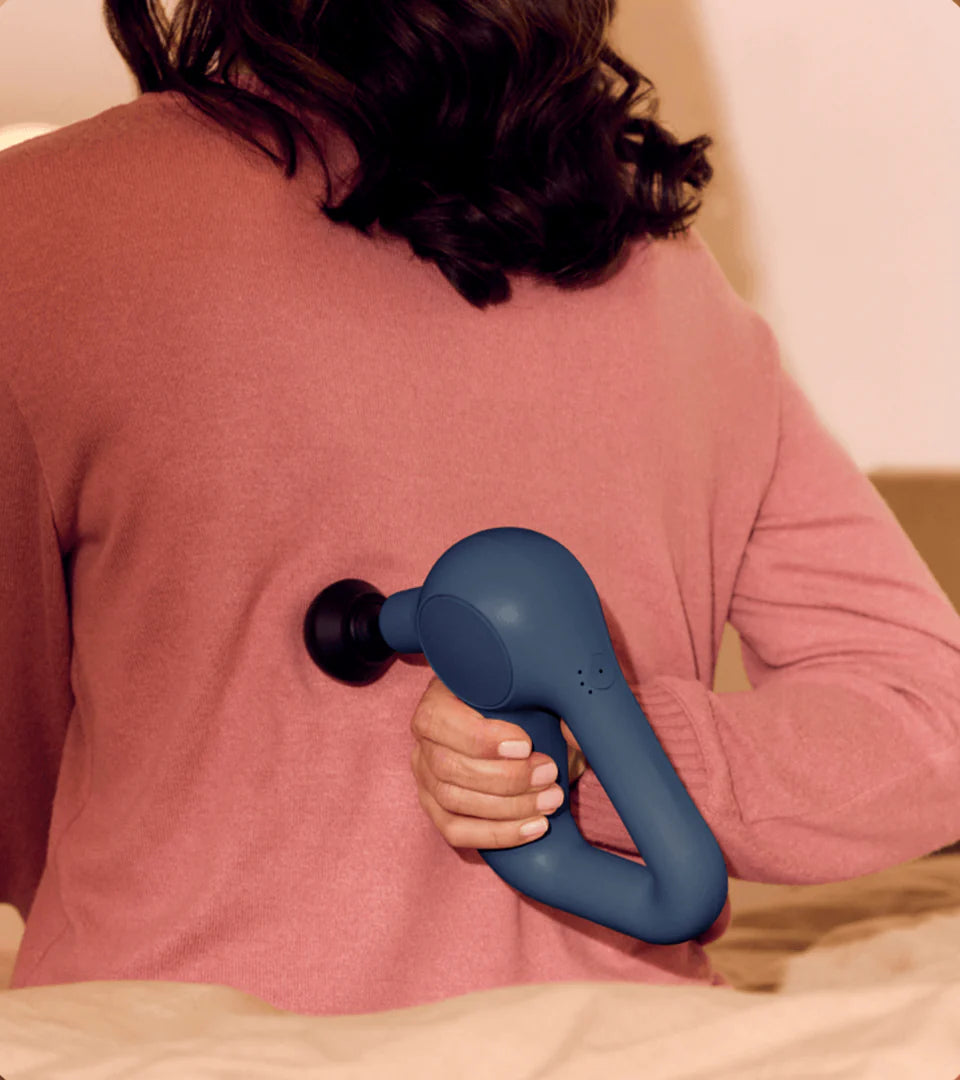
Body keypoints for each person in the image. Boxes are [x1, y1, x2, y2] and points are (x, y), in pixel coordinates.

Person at [2, 0, 959, 1018]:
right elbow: (928, 723)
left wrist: (591, 744)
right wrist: (610, 750)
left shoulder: (37, 226)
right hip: (627, 1043)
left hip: (156, 1034)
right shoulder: (670, 281)